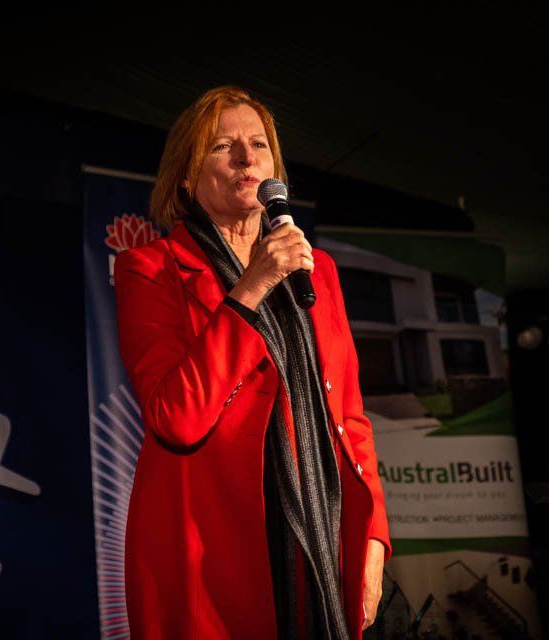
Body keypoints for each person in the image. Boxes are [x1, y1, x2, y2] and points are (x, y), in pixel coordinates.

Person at [114, 86, 391, 640]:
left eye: (258, 144)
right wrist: (252, 285)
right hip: (209, 549)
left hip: (323, 534)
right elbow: (176, 416)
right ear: (187, 178)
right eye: (224, 147)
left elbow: (351, 419)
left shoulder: (319, 270)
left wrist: (375, 541)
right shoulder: (149, 269)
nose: (247, 159)